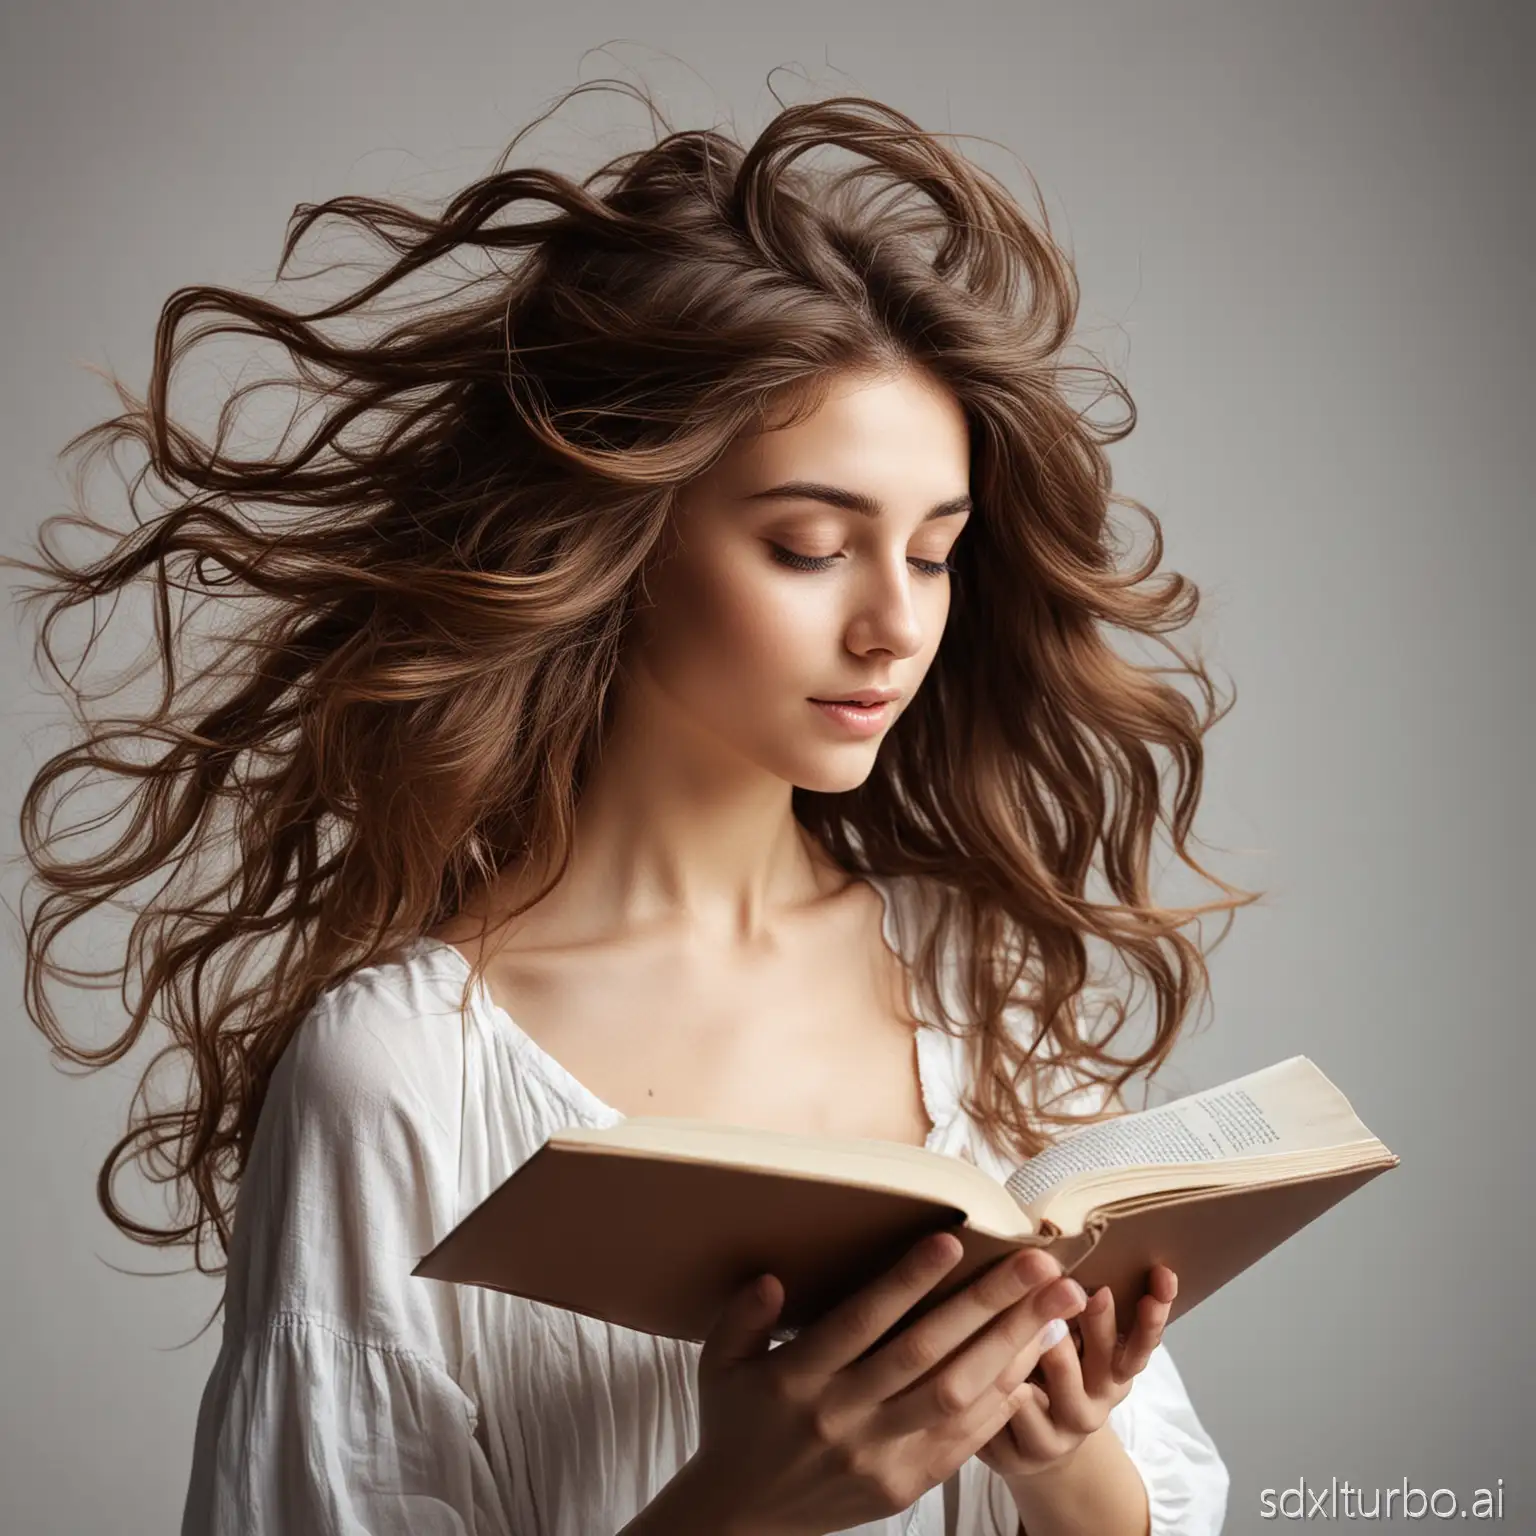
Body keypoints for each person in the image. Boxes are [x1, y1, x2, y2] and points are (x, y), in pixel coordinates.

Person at [11, 83, 1251, 1535]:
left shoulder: (986, 980)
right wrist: (737, 1505)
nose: (892, 627)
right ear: (625, 535)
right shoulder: (401, 1079)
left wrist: (1057, 1458)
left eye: (934, 553)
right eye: (808, 547)